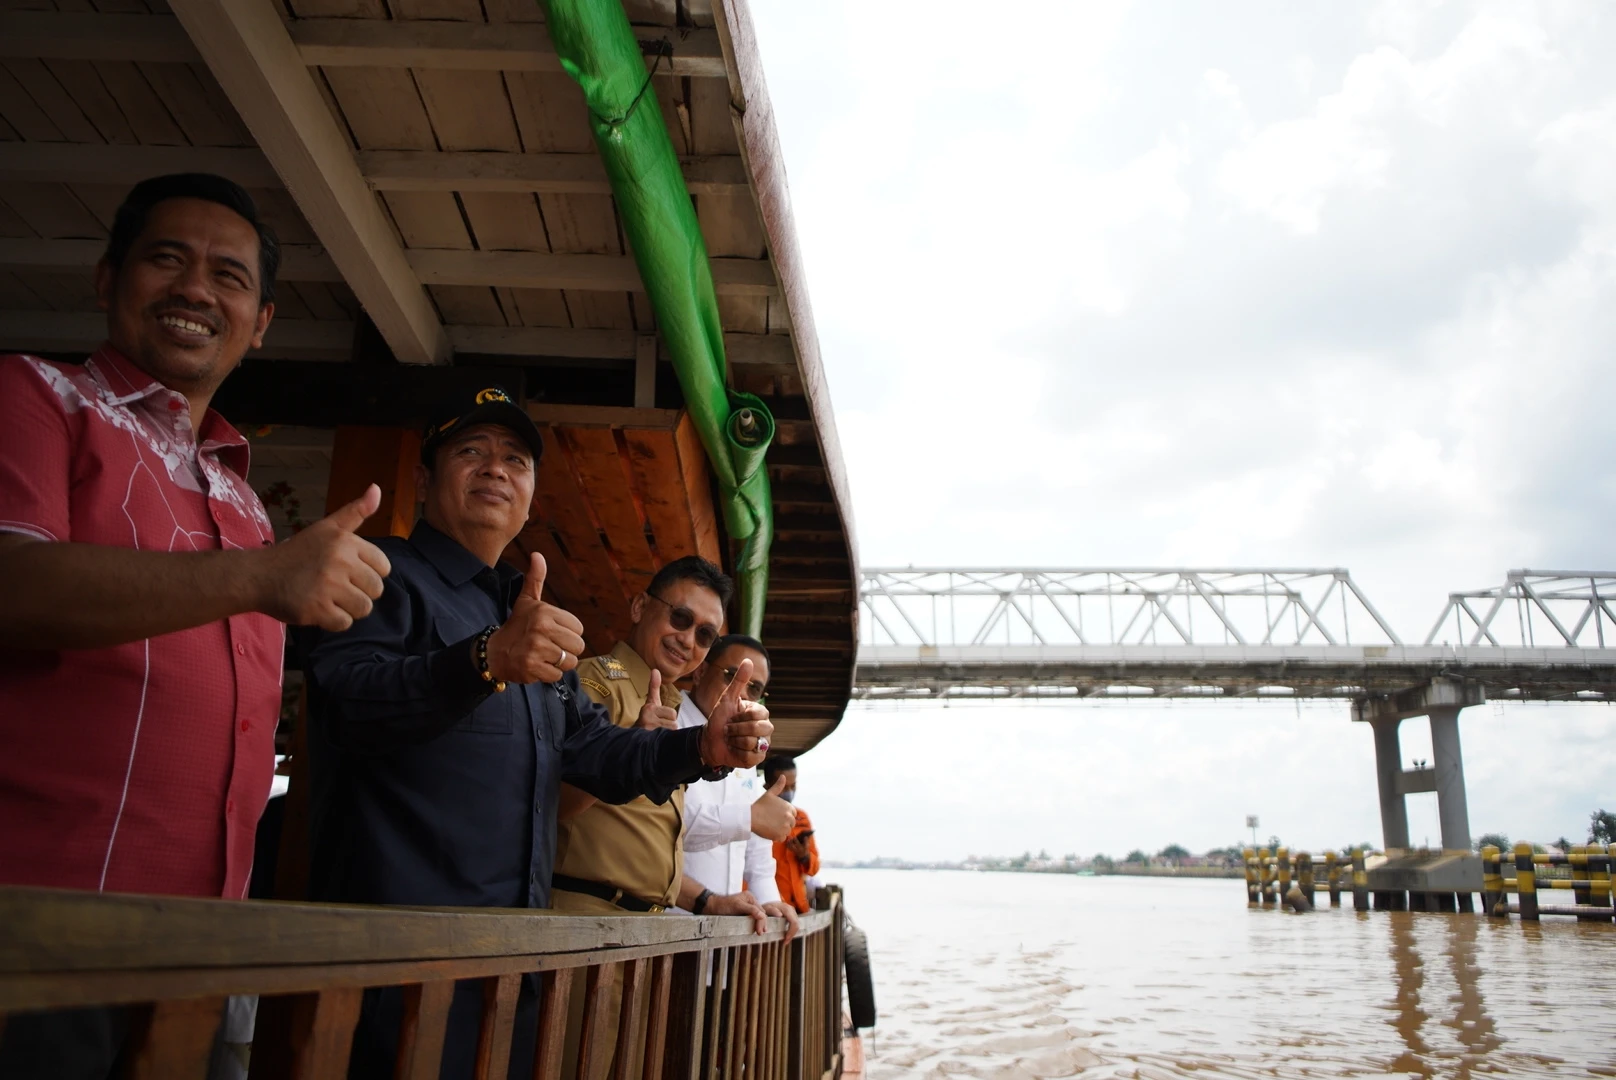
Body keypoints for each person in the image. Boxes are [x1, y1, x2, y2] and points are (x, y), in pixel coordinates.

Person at [0, 173, 391, 1079]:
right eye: (166, 259)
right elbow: (10, 584)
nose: (195, 289)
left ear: (259, 323)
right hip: (42, 939)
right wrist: (264, 576)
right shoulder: (34, 396)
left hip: (204, 956)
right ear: (108, 280)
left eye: (229, 276)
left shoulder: (245, 497)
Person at [298, 393, 772, 1080]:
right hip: (393, 968)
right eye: (471, 451)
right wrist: (482, 661)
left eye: (515, 459)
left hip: (510, 971)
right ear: (426, 481)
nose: (496, 469)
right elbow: (349, 706)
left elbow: (594, 751)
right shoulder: (382, 574)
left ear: (528, 498)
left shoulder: (527, 613)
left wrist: (699, 750)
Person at [551, 561, 776, 1080]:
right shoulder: (595, 684)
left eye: (704, 634)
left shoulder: (675, 711)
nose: (688, 639)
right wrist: (630, 742)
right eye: (679, 617)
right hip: (585, 929)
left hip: (646, 937)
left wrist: (707, 901)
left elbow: (652, 848)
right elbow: (548, 804)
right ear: (638, 607)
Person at [681, 634, 800, 942]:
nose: (742, 693)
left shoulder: (745, 751)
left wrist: (770, 899)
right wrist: (748, 817)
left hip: (722, 942)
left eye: (755, 688)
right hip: (663, 931)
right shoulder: (666, 724)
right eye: (732, 677)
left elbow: (757, 852)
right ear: (699, 671)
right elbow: (663, 824)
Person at [767, 756, 821, 914]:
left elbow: (814, 868)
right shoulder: (757, 818)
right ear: (768, 785)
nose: (789, 792)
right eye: (784, 787)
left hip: (799, 909)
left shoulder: (802, 817)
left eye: (793, 786)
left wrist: (804, 856)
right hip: (772, 911)